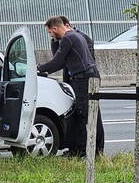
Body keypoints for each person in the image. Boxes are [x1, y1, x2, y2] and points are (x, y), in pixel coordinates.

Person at [38, 16, 105, 156]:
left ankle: (80, 151)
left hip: (83, 78)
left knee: (83, 114)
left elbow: (57, 61)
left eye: (50, 33)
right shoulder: (75, 36)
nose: (50, 35)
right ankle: (94, 150)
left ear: (55, 28)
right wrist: (55, 41)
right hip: (88, 76)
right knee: (91, 113)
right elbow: (62, 61)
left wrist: (38, 68)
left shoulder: (68, 38)